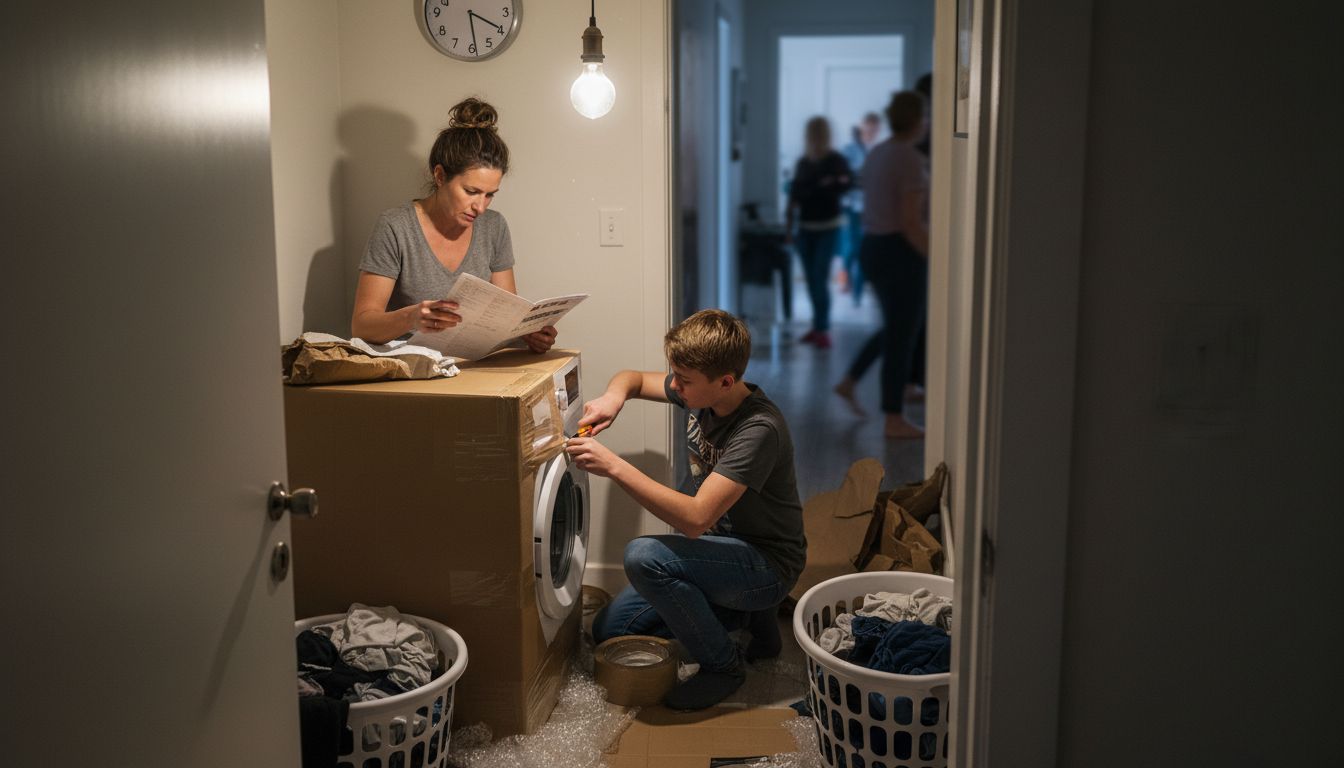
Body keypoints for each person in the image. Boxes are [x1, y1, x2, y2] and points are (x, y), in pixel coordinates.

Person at [567, 310, 807, 710]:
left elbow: (696, 519)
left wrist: (613, 466)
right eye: (674, 375)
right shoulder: (705, 389)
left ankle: (724, 666)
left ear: (726, 382)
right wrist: (614, 399)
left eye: (684, 381)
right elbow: (632, 377)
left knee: (644, 557)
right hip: (725, 548)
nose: (675, 387)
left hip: (766, 564)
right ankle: (753, 620)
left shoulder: (758, 430)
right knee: (611, 630)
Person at [350, 97, 557, 352]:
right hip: (418, 371)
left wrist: (528, 333)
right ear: (439, 176)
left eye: (490, 194)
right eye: (471, 191)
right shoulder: (396, 226)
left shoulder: (494, 227)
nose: (480, 207)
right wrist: (412, 317)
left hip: (479, 366)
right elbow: (362, 326)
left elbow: (507, 315)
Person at [833, 91, 930, 439]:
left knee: (897, 327)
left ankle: (851, 381)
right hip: (899, 250)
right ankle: (893, 418)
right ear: (919, 120)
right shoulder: (909, 159)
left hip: (873, 247)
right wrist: (939, 260)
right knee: (902, 335)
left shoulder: (879, 152)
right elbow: (910, 221)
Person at [785, 117, 852, 349]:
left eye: (818, 133)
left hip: (828, 228)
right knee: (812, 281)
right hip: (805, 229)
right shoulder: (804, 163)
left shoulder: (836, 161)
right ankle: (816, 327)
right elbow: (795, 196)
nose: (815, 138)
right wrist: (788, 228)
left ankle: (822, 328)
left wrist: (820, 187)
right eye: (812, 134)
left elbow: (844, 185)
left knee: (819, 278)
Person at [839, 112, 883, 306]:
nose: (871, 132)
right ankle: (847, 279)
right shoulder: (849, 149)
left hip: (872, 207)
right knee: (852, 247)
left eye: (874, 129)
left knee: (862, 249)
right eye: (868, 128)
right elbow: (843, 176)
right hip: (851, 206)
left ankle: (857, 292)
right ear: (862, 127)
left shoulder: (880, 149)